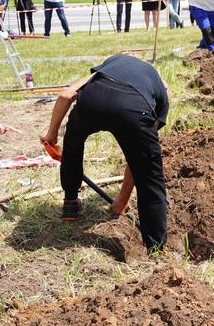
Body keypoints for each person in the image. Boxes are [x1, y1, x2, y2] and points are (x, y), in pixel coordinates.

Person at [40, 54, 170, 251]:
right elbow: (137, 161)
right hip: (135, 109)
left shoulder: (110, 65)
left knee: (73, 144)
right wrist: (121, 201)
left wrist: (51, 134)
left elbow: (66, 95)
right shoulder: (161, 97)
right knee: (150, 176)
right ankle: (156, 246)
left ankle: (70, 204)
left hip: (93, 101)